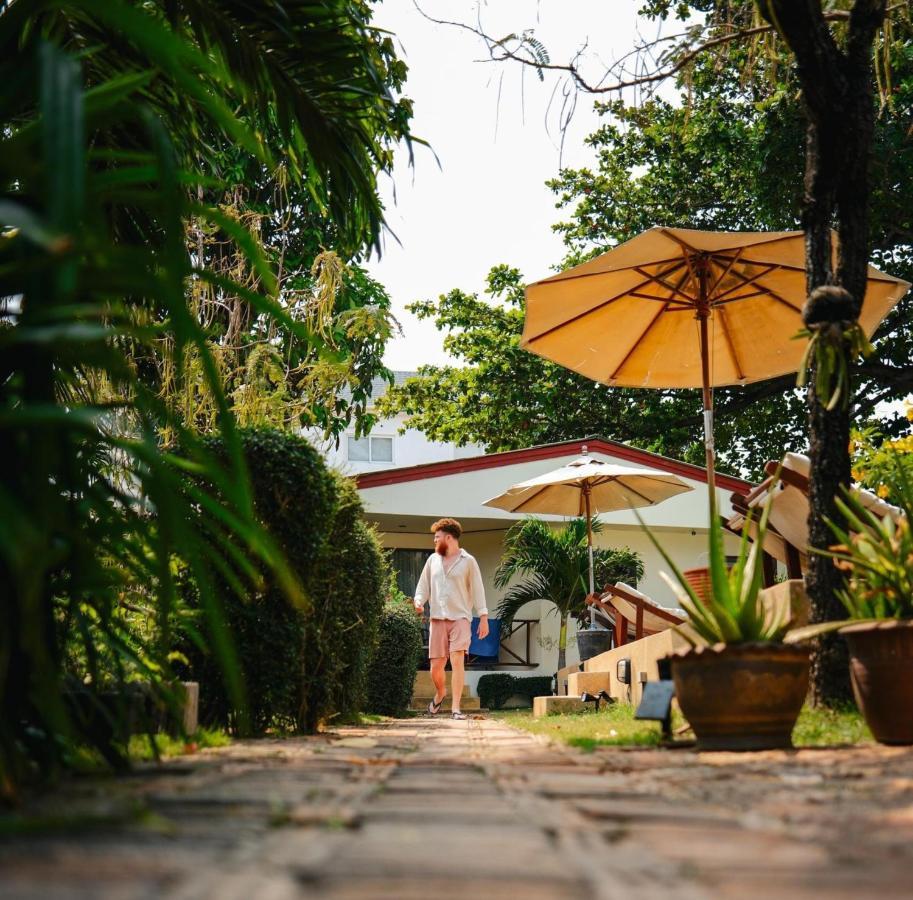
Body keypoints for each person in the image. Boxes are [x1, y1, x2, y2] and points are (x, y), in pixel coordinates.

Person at [412, 518, 489, 720]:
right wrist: (419, 601)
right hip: (437, 619)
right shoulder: (432, 560)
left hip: (461, 618)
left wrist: (483, 616)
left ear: (448, 538)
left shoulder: (468, 561)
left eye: (437, 538)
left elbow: (478, 590)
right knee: (436, 667)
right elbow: (423, 587)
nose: (434, 542)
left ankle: (456, 708)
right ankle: (440, 693)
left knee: (457, 660)